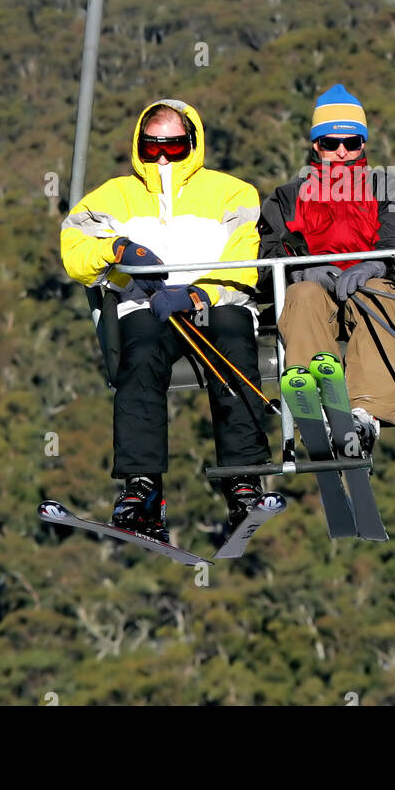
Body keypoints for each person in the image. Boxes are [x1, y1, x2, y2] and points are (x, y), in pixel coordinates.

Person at [59, 98, 271, 541]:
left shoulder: (232, 192)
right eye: (151, 145)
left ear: (191, 144)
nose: (160, 156)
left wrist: (197, 293)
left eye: (173, 147)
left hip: (216, 302)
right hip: (148, 305)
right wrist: (116, 250)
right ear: (139, 144)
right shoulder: (112, 197)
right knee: (140, 357)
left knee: (233, 345)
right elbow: (75, 254)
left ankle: (244, 478)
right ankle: (143, 488)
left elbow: (242, 264)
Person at [258, 84, 395, 452]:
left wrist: (373, 264)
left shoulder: (388, 187)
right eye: (331, 143)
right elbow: (269, 254)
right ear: (316, 145)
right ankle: (317, 403)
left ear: (364, 144)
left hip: (369, 287)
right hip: (319, 293)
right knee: (302, 295)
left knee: (381, 295)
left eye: (352, 143)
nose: (341, 152)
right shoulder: (288, 196)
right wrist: (303, 270)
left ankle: (364, 413)